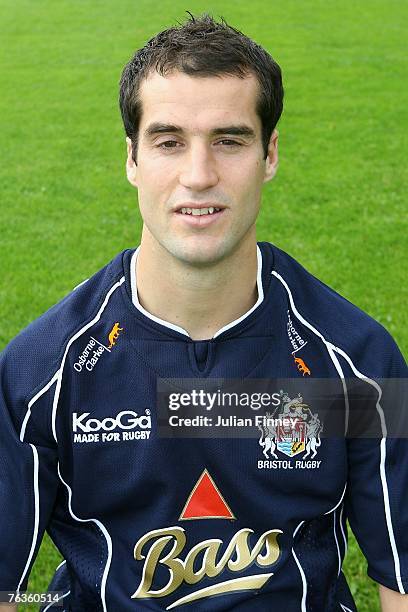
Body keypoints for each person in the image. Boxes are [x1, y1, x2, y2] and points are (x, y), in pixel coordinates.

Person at [0, 12, 407, 612]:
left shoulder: (360, 365)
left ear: (270, 154)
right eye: (168, 142)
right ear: (132, 159)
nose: (199, 176)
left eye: (229, 140)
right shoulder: (40, 375)